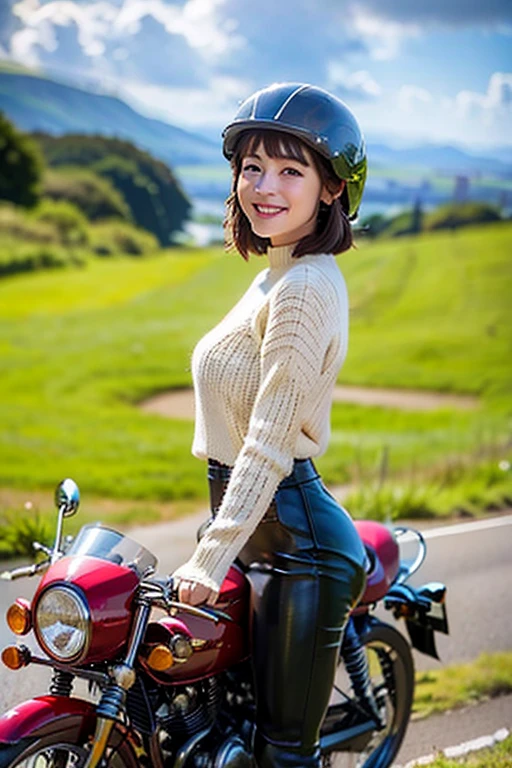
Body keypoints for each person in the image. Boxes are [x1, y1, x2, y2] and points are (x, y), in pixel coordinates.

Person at [172, 82, 370, 768]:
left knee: (281, 754)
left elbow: (266, 443)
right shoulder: (274, 271)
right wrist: (218, 539)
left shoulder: (307, 287)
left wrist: (208, 554)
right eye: (253, 166)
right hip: (242, 520)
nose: (265, 186)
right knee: (203, 720)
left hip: (298, 545)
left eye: (291, 170)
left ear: (333, 189)